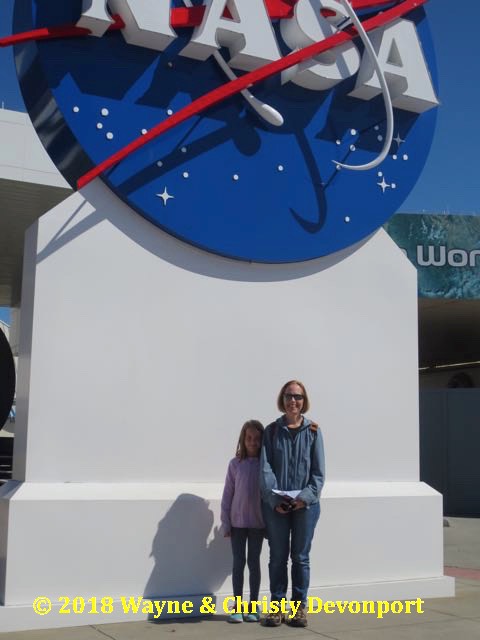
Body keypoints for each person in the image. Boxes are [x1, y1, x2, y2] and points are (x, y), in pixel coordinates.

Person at [260, 380, 325, 628]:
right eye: (289, 396)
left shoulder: (314, 432)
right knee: (278, 557)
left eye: (298, 396)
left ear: (304, 400)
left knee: (300, 557)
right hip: (276, 506)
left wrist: (303, 498)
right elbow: (265, 469)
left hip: (304, 507)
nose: (293, 401)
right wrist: (275, 499)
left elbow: (319, 474)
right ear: (282, 399)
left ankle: (298, 609)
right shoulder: (271, 431)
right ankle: (277, 608)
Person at [221, 419, 265, 623]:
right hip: (237, 524)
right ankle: (237, 606)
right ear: (243, 439)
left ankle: (253, 606)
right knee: (238, 563)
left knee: (254, 563)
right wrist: (226, 521)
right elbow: (228, 494)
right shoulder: (235, 464)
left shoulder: (266, 465)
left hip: (258, 524)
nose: (253, 442)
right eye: (249, 438)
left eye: (257, 439)